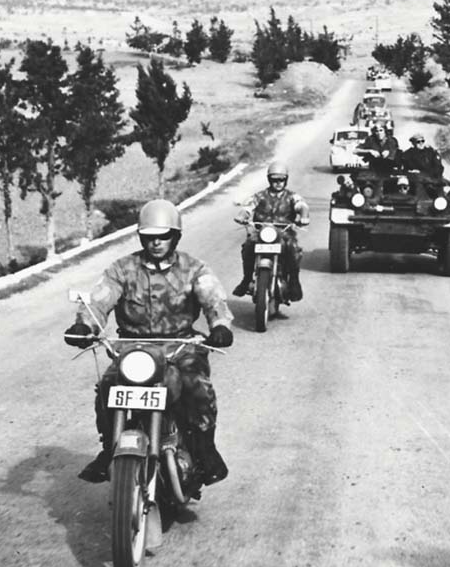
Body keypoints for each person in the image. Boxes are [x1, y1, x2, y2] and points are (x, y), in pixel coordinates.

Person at [64, 199, 234, 485]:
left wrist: (220, 325)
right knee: (107, 386)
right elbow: (101, 299)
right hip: (133, 350)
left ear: (174, 236)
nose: (156, 243)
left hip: (181, 347)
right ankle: (109, 449)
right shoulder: (123, 269)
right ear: (142, 237)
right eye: (150, 237)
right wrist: (85, 324)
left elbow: (212, 297)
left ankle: (206, 449)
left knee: (198, 388)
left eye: (163, 236)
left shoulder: (193, 268)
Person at [232, 161, 310, 301]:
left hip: (284, 232)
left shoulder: (292, 196)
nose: (278, 183)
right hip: (262, 232)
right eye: (275, 180)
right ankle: (246, 279)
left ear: (285, 180)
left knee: (293, 248)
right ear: (269, 180)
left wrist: (304, 216)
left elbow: (301, 205)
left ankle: (294, 282)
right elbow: (248, 207)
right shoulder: (259, 196)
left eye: (281, 179)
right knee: (248, 246)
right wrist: (242, 215)